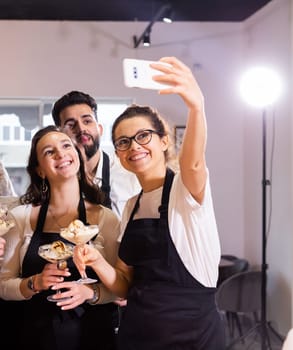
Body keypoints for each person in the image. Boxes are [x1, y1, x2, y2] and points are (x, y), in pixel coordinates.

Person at [71, 56, 226, 349]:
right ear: (118, 153)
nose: (134, 147)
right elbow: (123, 283)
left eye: (144, 136)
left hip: (192, 335)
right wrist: (96, 260)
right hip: (138, 333)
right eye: (123, 142)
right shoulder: (131, 206)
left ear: (164, 140)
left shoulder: (186, 190)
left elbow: (192, 164)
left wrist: (196, 105)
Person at [0, 125, 120, 350]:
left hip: (93, 337)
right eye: (49, 151)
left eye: (66, 146)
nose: (61, 153)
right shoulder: (21, 217)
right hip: (33, 337)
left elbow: (119, 286)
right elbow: (3, 285)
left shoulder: (107, 219)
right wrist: (34, 282)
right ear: (40, 170)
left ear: (77, 155)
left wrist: (91, 292)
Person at [51, 91, 141, 218]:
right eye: (71, 125)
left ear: (100, 129)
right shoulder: (53, 181)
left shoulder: (130, 177)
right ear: (59, 136)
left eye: (87, 121)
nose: (81, 129)